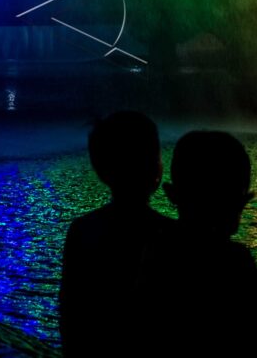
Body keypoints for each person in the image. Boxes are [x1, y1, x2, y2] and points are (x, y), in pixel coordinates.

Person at [139, 130, 257, 357]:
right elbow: (254, 336)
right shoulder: (235, 260)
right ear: (241, 203)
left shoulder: (155, 252)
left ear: (172, 195)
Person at [59, 110, 172, 356]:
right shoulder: (171, 234)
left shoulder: (81, 230)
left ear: (100, 168)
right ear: (155, 168)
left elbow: (70, 313)